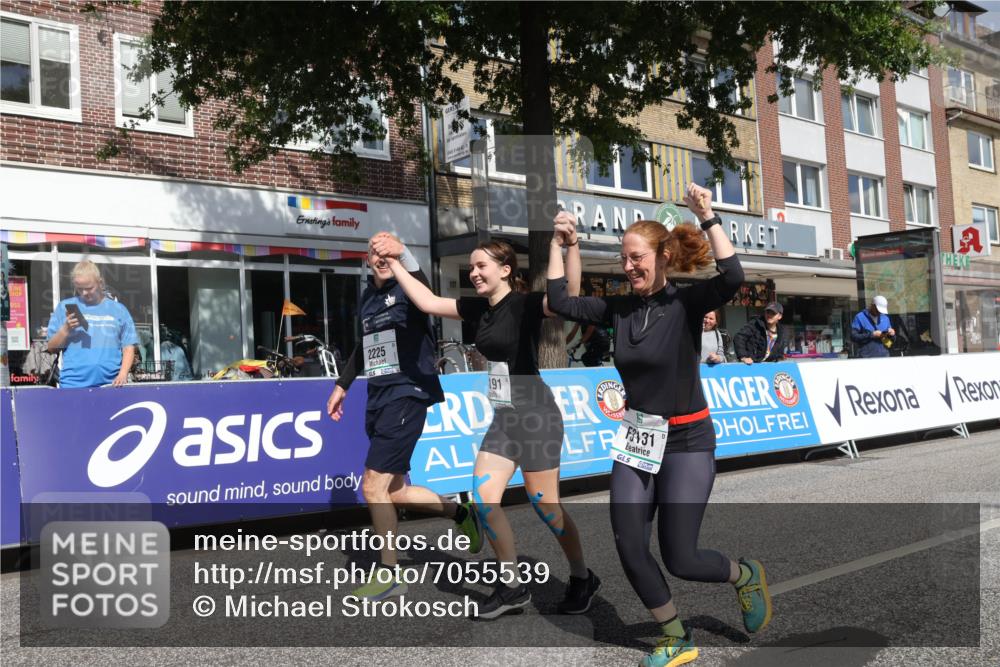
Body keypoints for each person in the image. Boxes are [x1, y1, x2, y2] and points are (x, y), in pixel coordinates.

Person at [546, 183, 772, 667]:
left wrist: (708, 215)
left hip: (688, 440)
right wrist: (560, 245)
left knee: (681, 558)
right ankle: (676, 637)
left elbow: (733, 276)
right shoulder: (620, 309)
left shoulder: (685, 304)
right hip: (636, 439)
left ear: (662, 256)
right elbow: (560, 302)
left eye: (636, 258)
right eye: (624, 259)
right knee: (629, 543)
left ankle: (743, 574)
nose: (628, 267)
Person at [370, 229, 598, 620]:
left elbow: (569, 296)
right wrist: (396, 261)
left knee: (547, 508)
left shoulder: (524, 305)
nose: (474, 273)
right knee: (483, 497)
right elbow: (426, 301)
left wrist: (569, 246)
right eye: (472, 266)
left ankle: (581, 576)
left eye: (482, 266)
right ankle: (511, 586)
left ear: (505, 270)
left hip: (538, 417)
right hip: (505, 419)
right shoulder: (479, 309)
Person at [325, 233, 483, 601]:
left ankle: (390, 573)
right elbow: (363, 348)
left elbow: (426, 293)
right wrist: (342, 386)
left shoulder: (408, 286)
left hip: (407, 393)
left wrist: (403, 252)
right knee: (395, 491)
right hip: (378, 397)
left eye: (386, 253)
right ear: (367, 260)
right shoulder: (367, 298)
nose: (380, 258)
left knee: (372, 486)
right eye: (374, 254)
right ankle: (460, 512)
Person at [46, 260, 138, 388]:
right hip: (73, 385)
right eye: (79, 289)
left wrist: (123, 374)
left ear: (100, 283)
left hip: (111, 385)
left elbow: (128, 347)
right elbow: (51, 348)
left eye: (89, 288)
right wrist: (66, 328)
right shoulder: (65, 307)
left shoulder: (119, 310)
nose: (84, 293)